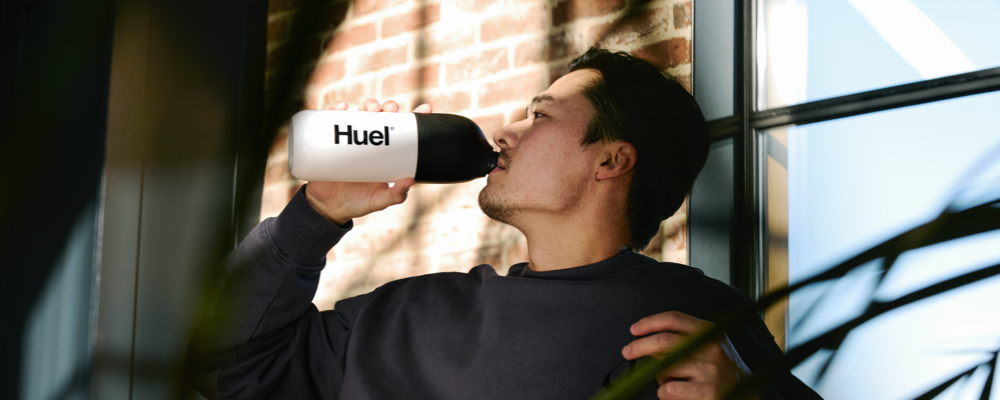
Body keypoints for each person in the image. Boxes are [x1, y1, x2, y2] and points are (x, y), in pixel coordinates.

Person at [185, 48, 821, 400]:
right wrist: (316, 212)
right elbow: (230, 365)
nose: (505, 131)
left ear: (611, 159)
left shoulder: (696, 318)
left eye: (540, 115)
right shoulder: (404, 317)